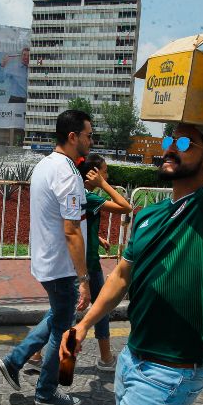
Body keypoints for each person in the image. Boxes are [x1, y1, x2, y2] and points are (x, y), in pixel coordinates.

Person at [60, 45, 203, 405]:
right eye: (169, 137)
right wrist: (84, 324)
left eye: (186, 142)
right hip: (133, 358)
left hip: (171, 371)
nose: (171, 146)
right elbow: (121, 276)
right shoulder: (149, 215)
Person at [0, 109, 93, 405]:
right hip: (61, 265)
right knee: (63, 327)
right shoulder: (67, 174)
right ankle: (46, 391)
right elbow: (72, 230)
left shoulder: (45, 165)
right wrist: (84, 279)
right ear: (73, 137)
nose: (92, 141)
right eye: (89, 135)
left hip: (47, 260)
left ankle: (14, 360)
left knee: (57, 315)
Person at [25, 154, 133, 373]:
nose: (107, 176)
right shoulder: (87, 195)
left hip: (84, 259)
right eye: (104, 171)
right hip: (86, 263)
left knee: (73, 309)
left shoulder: (82, 195)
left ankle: (35, 354)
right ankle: (36, 355)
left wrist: (97, 238)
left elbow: (80, 223)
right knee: (81, 310)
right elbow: (125, 207)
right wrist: (103, 185)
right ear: (93, 174)